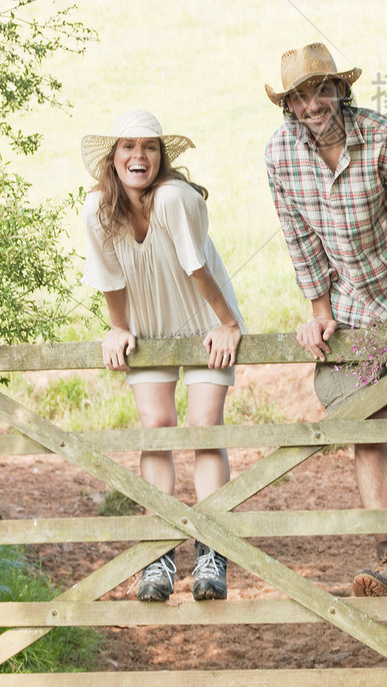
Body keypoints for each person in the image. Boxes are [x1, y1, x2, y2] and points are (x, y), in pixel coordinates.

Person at [264, 43, 387, 598]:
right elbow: (299, 237)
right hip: (349, 302)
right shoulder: (280, 155)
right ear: (288, 105)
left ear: (341, 89)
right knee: (366, 424)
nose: (312, 104)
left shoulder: (386, 140)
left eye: (321, 90)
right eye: (300, 96)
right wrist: (318, 310)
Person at [81, 109, 245, 603]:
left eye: (149, 147)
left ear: (161, 156)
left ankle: (211, 550)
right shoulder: (96, 211)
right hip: (149, 327)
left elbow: (196, 267)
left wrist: (228, 324)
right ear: (113, 158)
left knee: (203, 426)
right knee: (155, 428)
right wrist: (118, 329)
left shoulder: (175, 197)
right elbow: (110, 279)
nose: (139, 156)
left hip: (204, 321)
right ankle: (159, 555)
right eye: (127, 147)